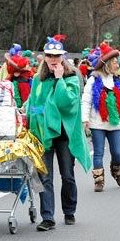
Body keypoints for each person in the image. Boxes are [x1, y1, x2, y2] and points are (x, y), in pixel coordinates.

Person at [26, 36, 91, 230]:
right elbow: (33, 103)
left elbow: (67, 103)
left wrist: (60, 78)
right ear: (44, 57)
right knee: (44, 176)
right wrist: (27, 116)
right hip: (44, 134)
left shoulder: (71, 77)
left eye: (57, 55)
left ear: (63, 57)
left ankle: (69, 211)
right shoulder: (38, 79)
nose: (53, 59)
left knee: (67, 175)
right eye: (49, 55)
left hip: (64, 135)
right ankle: (48, 217)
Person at [82, 43, 120, 192]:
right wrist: (85, 119)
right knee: (98, 152)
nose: (118, 64)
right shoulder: (93, 80)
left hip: (115, 123)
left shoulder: (117, 81)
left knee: (116, 152)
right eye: (115, 62)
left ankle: (116, 172)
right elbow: (86, 100)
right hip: (98, 123)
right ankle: (99, 180)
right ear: (107, 64)